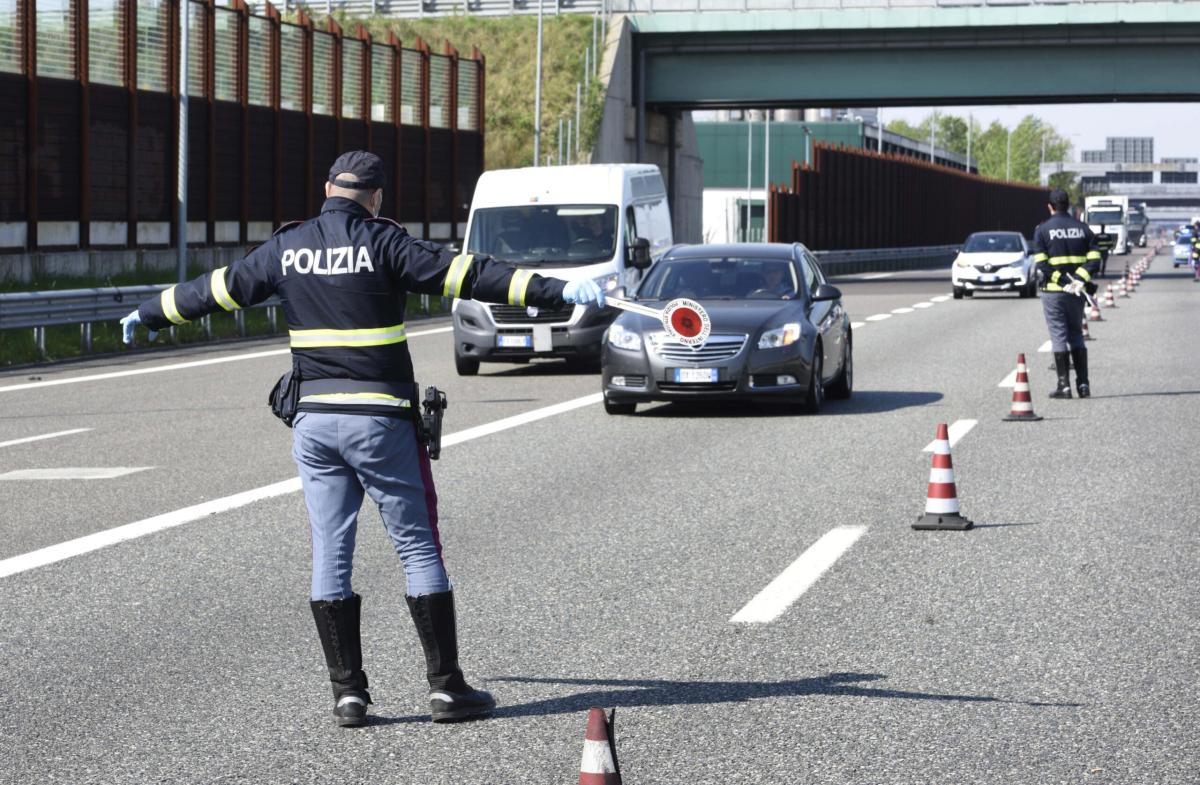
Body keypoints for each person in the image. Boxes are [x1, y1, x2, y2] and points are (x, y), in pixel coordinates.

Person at [118, 151, 604, 728]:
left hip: (315, 424)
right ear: (376, 197)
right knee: (418, 548)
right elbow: (471, 275)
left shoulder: (286, 247)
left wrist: (149, 313)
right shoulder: (386, 243)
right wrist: (559, 291)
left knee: (331, 553)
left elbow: (217, 290)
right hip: (380, 421)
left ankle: (349, 696)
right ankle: (446, 689)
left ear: (327, 189)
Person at [1029, 188, 1101, 399]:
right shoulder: (1084, 229)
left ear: (1049, 206)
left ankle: (1064, 386)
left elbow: (1042, 264)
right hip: (1077, 293)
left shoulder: (1042, 230)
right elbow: (1095, 259)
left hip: (1053, 292)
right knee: (1077, 333)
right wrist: (1078, 281)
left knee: (1059, 335)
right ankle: (1084, 385)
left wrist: (1062, 281)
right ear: (1068, 205)